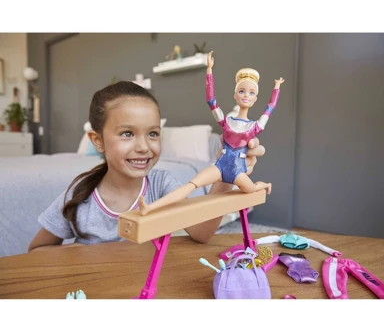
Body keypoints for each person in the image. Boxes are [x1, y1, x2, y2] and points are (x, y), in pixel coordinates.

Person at [28, 80, 265, 251]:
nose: (143, 147)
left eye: (153, 134)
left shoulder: (162, 185)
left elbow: (202, 233)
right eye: (127, 133)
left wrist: (225, 173)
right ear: (97, 141)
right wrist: (79, 252)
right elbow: (36, 250)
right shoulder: (80, 194)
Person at [138, 50, 284, 216]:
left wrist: (276, 88)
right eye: (242, 91)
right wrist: (209, 70)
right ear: (235, 94)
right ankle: (149, 208)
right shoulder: (225, 121)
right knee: (191, 185)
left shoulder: (254, 126)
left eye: (251, 93)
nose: (246, 95)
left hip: (238, 172)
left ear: (255, 98)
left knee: (253, 188)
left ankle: (265, 185)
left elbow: (270, 108)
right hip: (219, 167)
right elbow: (210, 100)